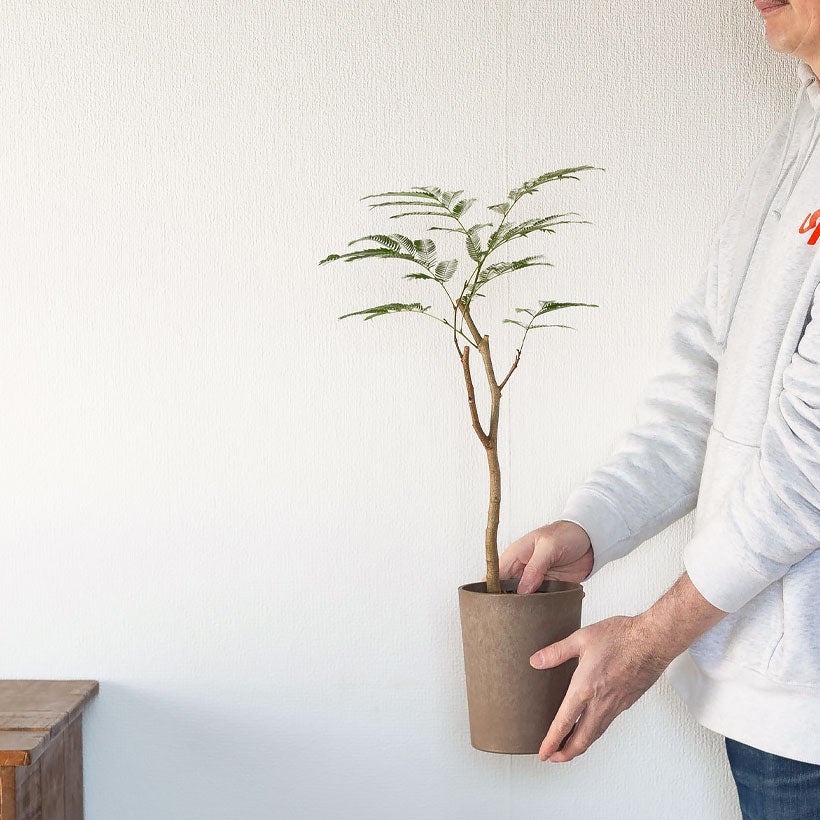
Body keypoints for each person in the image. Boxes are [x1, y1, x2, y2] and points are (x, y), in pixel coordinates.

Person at [497, 1, 820, 816]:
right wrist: (596, 522)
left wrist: (648, 641)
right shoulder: (806, 123)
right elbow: (710, 363)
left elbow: (810, 469)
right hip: (771, 692)